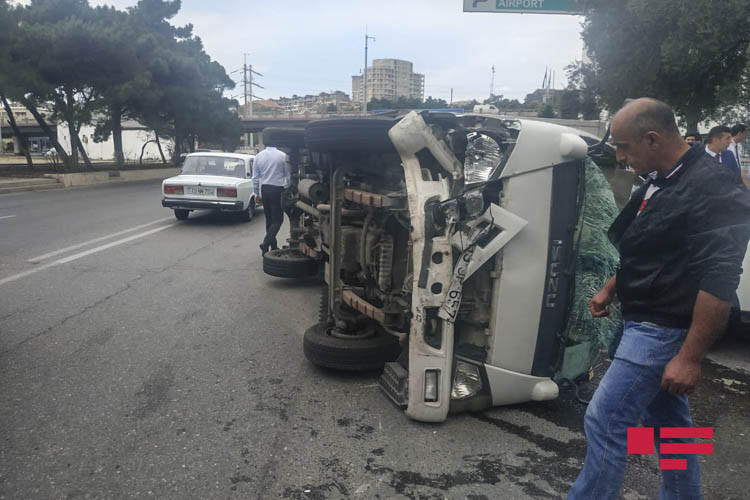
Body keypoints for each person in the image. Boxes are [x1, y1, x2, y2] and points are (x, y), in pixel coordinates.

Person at [567, 98, 750, 500]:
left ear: (652, 139)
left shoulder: (714, 189)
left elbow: (720, 281)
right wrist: (611, 287)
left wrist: (689, 357)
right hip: (642, 318)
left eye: (623, 147)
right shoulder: (663, 177)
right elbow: (650, 251)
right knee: (672, 429)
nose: (618, 156)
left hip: (662, 328)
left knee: (605, 421)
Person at [252, 145, 290, 255]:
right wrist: (289, 188)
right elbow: (287, 175)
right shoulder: (282, 156)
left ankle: (272, 247)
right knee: (278, 220)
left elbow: (255, 177)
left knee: (269, 219)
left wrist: (256, 193)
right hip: (277, 189)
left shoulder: (258, 156)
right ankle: (265, 243)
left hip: (265, 189)